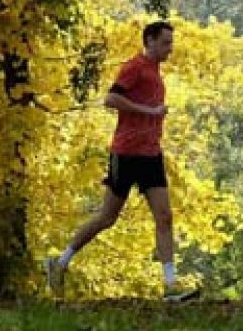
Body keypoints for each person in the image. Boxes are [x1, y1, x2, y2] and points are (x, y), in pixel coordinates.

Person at [45, 19, 198, 301]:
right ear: (149, 41)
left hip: (151, 153)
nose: (170, 48)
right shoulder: (135, 67)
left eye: (171, 43)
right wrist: (149, 111)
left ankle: (170, 286)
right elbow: (111, 99)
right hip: (126, 153)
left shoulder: (155, 70)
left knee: (164, 216)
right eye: (165, 42)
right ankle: (60, 262)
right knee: (107, 217)